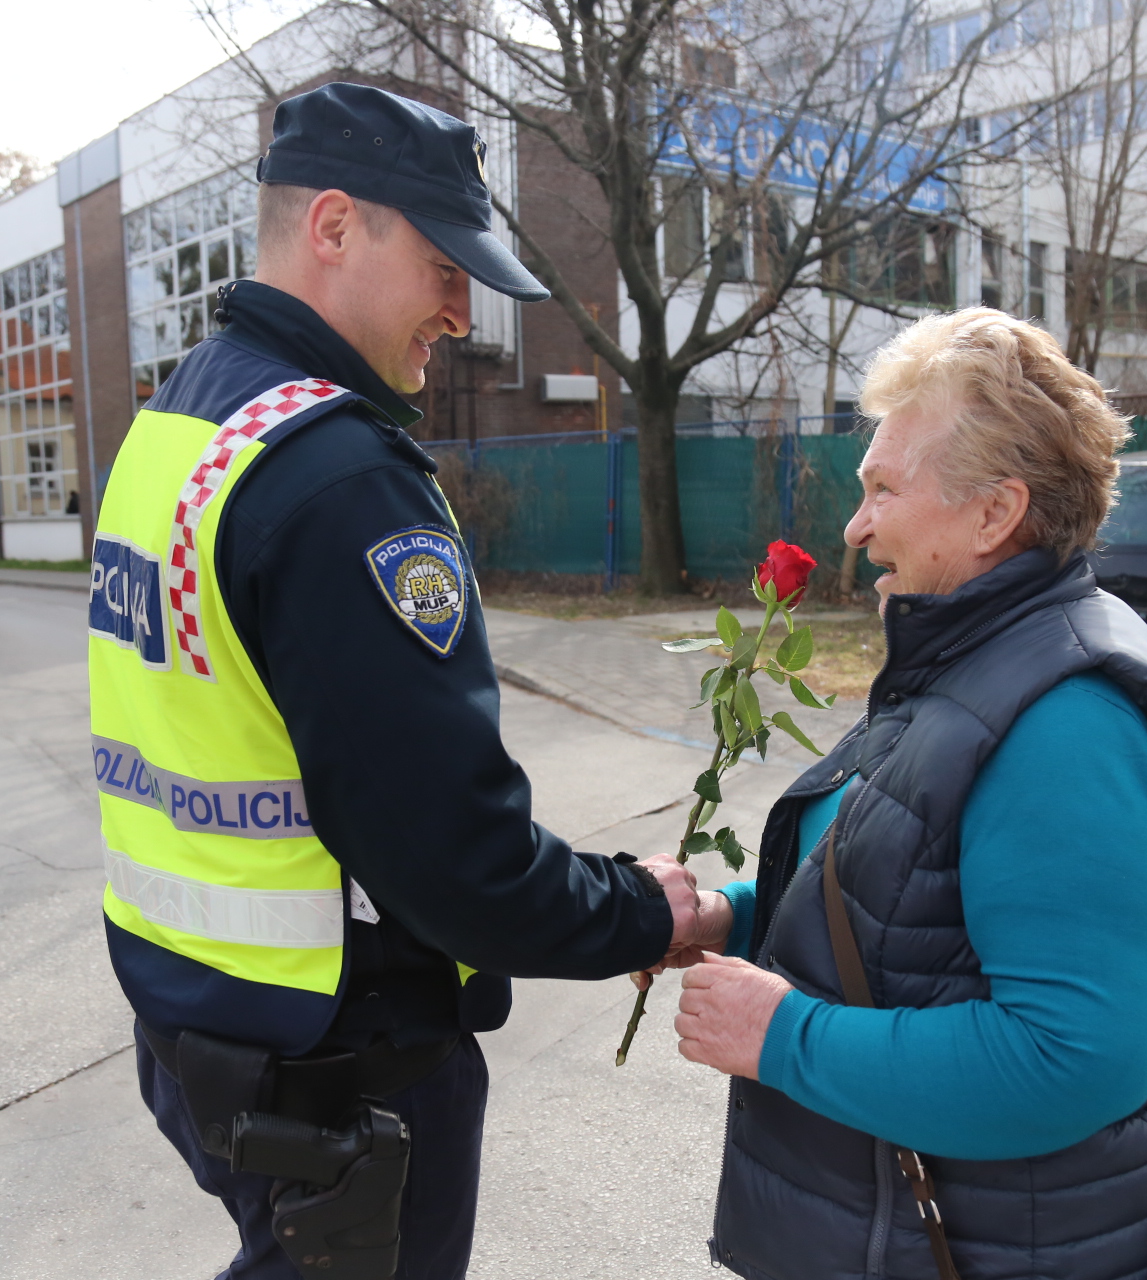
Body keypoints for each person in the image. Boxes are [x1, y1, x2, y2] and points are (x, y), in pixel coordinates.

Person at [86, 83, 701, 1280]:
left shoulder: (180, 422)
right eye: (444, 264)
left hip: (196, 1027)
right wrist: (650, 909)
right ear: (333, 226)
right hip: (340, 1066)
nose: (461, 312)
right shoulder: (337, 481)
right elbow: (457, 864)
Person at [659, 309, 1147, 1279]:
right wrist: (724, 919)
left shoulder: (1066, 719)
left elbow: (1076, 1057)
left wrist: (785, 1034)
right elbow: (900, 904)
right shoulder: (973, 658)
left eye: (882, 488)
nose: (855, 523)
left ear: (995, 512)